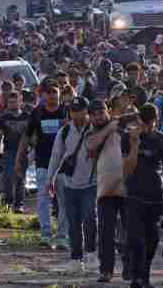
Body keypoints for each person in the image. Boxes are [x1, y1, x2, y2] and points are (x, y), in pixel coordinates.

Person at [121, 103, 163, 288]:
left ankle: (143, 276)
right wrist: (135, 146)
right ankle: (136, 276)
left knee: (152, 240)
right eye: (144, 125)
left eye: (151, 125)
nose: (148, 128)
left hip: (156, 196)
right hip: (134, 195)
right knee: (135, 239)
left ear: (156, 121)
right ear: (138, 120)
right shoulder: (128, 138)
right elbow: (126, 170)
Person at [48, 96, 97, 272]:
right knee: (74, 223)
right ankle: (76, 259)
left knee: (91, 219)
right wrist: (49, 180)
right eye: (73, 111)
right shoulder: (65, 131)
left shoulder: (96, 129)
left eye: (80, 111)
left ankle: (91, 254)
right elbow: (56, 156)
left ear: (87, 110)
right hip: (69, 184)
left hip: (92, 183)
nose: (76, 115)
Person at [18, 83, 69, 249]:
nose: (52, 95)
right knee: (43, 199)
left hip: (64, 164)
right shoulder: (37, 112)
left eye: (55, 92)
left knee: (63, 201)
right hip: (42, 161)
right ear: (44, 95)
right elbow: (26, 136)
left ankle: (62, 236)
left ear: (60, 94)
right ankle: (45, 233)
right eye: (49, 92)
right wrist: (20, 157)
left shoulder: (67, 111)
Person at [85, 100, 125, 282]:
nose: (100, 116)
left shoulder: (122, 126)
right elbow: (91, 145)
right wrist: (110, 128)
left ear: (107, 111)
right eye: (95, 114)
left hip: (127, 188)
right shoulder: (92, 133)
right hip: (106, 190)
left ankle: (131, 268)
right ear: (90, 116)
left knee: (130, 231)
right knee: (106, 232)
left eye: (102, 112)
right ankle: (106, 270)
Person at [0, 90, 31, 213]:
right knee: (7, 177)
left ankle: (19, 204)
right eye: (10, 102)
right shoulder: (4, 118)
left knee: (20, 178)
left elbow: (32, 135)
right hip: (8, 151)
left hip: (23, 152)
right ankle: (8, 202)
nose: (12, 104)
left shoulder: (27, 117)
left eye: (14, 102)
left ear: (20, 102)